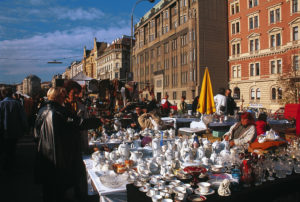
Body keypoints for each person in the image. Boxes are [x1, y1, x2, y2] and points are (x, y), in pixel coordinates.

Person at [34, 87, 102, 202]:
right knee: (59, 185)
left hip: (45, 153)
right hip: (59, 152)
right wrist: (98, 121)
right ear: (58, 97)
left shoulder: (42, 110)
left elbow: (36, 134)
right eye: (63, 96)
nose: (64, 99)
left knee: (49, 186)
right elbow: (80, 123)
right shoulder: (60, 111)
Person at [0, 87, 28, 170]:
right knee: (12, 148)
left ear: (3, 94)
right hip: (14, 130)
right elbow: (23, 118)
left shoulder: (1, 104)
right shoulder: (17, 104)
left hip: (3, 131)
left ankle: (6, 165)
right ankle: (11, 164)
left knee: (4, 148)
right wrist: (25, 128)